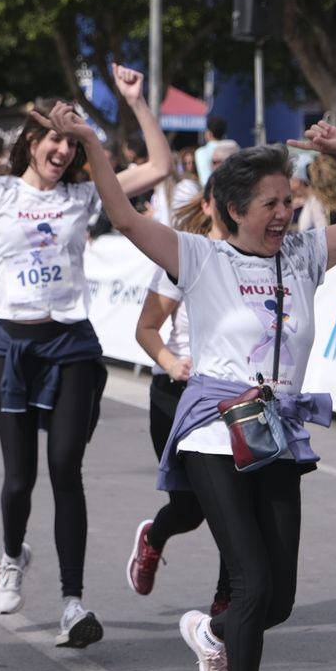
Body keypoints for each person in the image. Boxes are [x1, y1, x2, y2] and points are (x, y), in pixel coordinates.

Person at [88, 115, 336, 671]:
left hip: (274, 430)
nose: (283, 212)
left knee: (275, 601)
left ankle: (209, 631)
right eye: (268, 204)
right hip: (214, 428)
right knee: (250, 583)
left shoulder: (305, 254)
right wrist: (91, 143)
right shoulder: (198, 257)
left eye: (287, 200)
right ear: (234, 210)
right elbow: (123, 216)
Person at [0, 64, 171, 647]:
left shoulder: (84, 195)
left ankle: (73, 603)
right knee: (18, 481)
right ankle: (12, 556)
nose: (61, 148)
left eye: (69, 140)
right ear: (30, 142)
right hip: (13, 346)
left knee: (65, 470)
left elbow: (157, 168)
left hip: (72, 345)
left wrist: (133, 102)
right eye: (52, 138)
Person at [130, 179, 231, 617]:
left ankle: (228, 604)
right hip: (178, 395)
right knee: (190, 510)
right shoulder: (183, 258)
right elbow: (146, 329)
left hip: (232, 397)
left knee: (236, 503)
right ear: (209, 206)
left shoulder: (265, 259)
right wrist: (173, 362)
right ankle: (153, 538)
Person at [195, 116, 230, 185]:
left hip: (209, 192)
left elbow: (204, 181)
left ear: (209, 133)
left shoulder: (200, 152)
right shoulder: (234, 148)